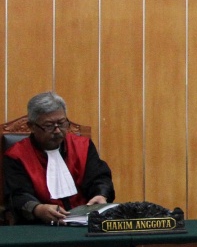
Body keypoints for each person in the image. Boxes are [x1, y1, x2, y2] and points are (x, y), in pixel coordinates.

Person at [3, 92, 114, 225]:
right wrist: (38, 209)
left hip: (85, 221)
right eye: (49, 126)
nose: (57, 131)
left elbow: (99, 177)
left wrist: (101, 194)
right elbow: (17, 194)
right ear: (31, 127)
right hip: (40, 225)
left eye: (62, 123)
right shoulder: (16, 155)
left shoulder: (83, 146)